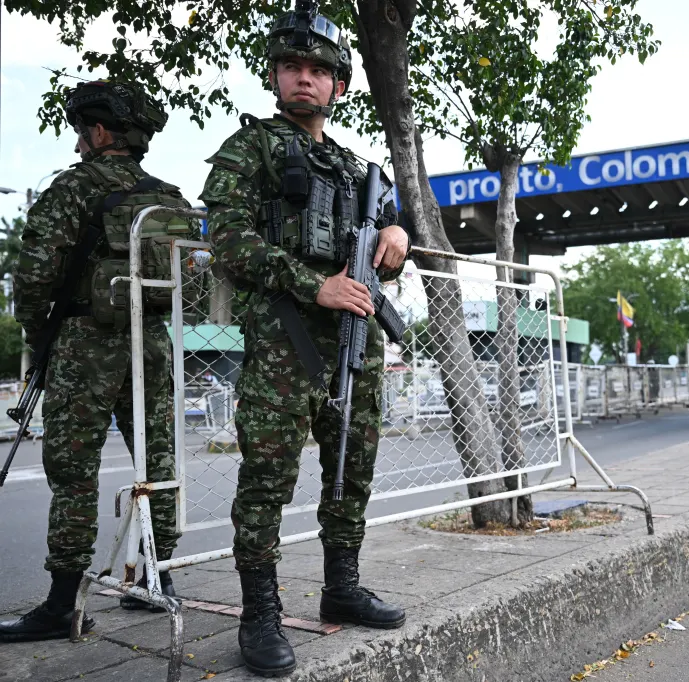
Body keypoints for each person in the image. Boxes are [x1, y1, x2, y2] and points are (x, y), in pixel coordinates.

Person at [200, 5, 410, 676]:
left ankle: (341, 588)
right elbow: (228, 243)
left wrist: (396, 237)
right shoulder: (250, 148)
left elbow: (385, 229)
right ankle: (260, 613)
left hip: (358, 338)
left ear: (339, 86)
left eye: (319, 71)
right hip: (285, 344)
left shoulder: (356, 167)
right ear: (275, 77)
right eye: (292, 67)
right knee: (267, 480)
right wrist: (311, 285)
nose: (304, 80)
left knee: (352, 466)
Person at [1, 81, 187, 642]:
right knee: (159, 460)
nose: (80, 142)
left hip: (85, 342)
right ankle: (157, 579)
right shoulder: (168, 199)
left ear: (100, 132)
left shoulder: (71, 189)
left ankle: (62, 605)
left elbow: (33, 275)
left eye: (84, 131)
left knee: (73, 471)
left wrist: (42, 332)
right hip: (152, 340)